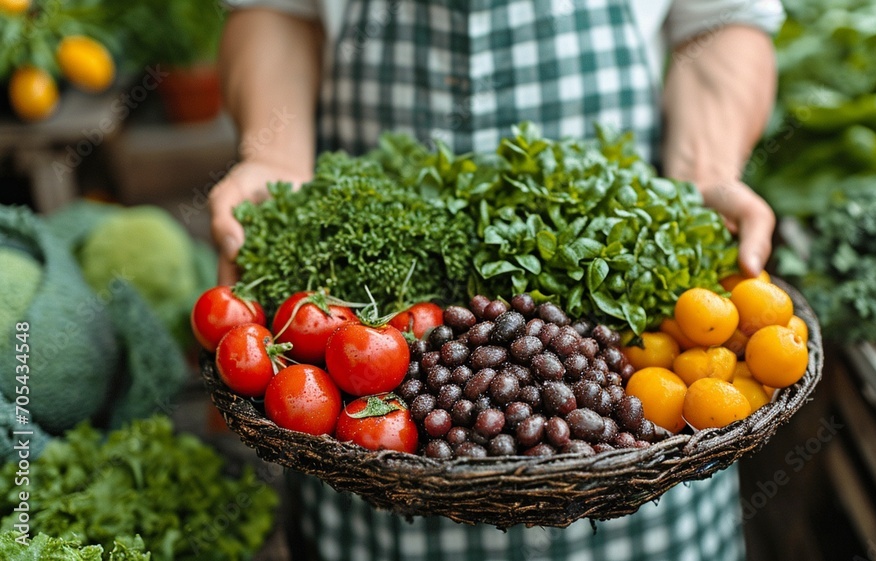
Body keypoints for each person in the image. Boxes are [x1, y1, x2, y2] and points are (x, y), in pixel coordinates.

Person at [209, 1, 784, 560]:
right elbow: (274, 9)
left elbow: (721, 19)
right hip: (379, 461)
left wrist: (703, 170)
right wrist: (276, 159)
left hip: (642, 499)